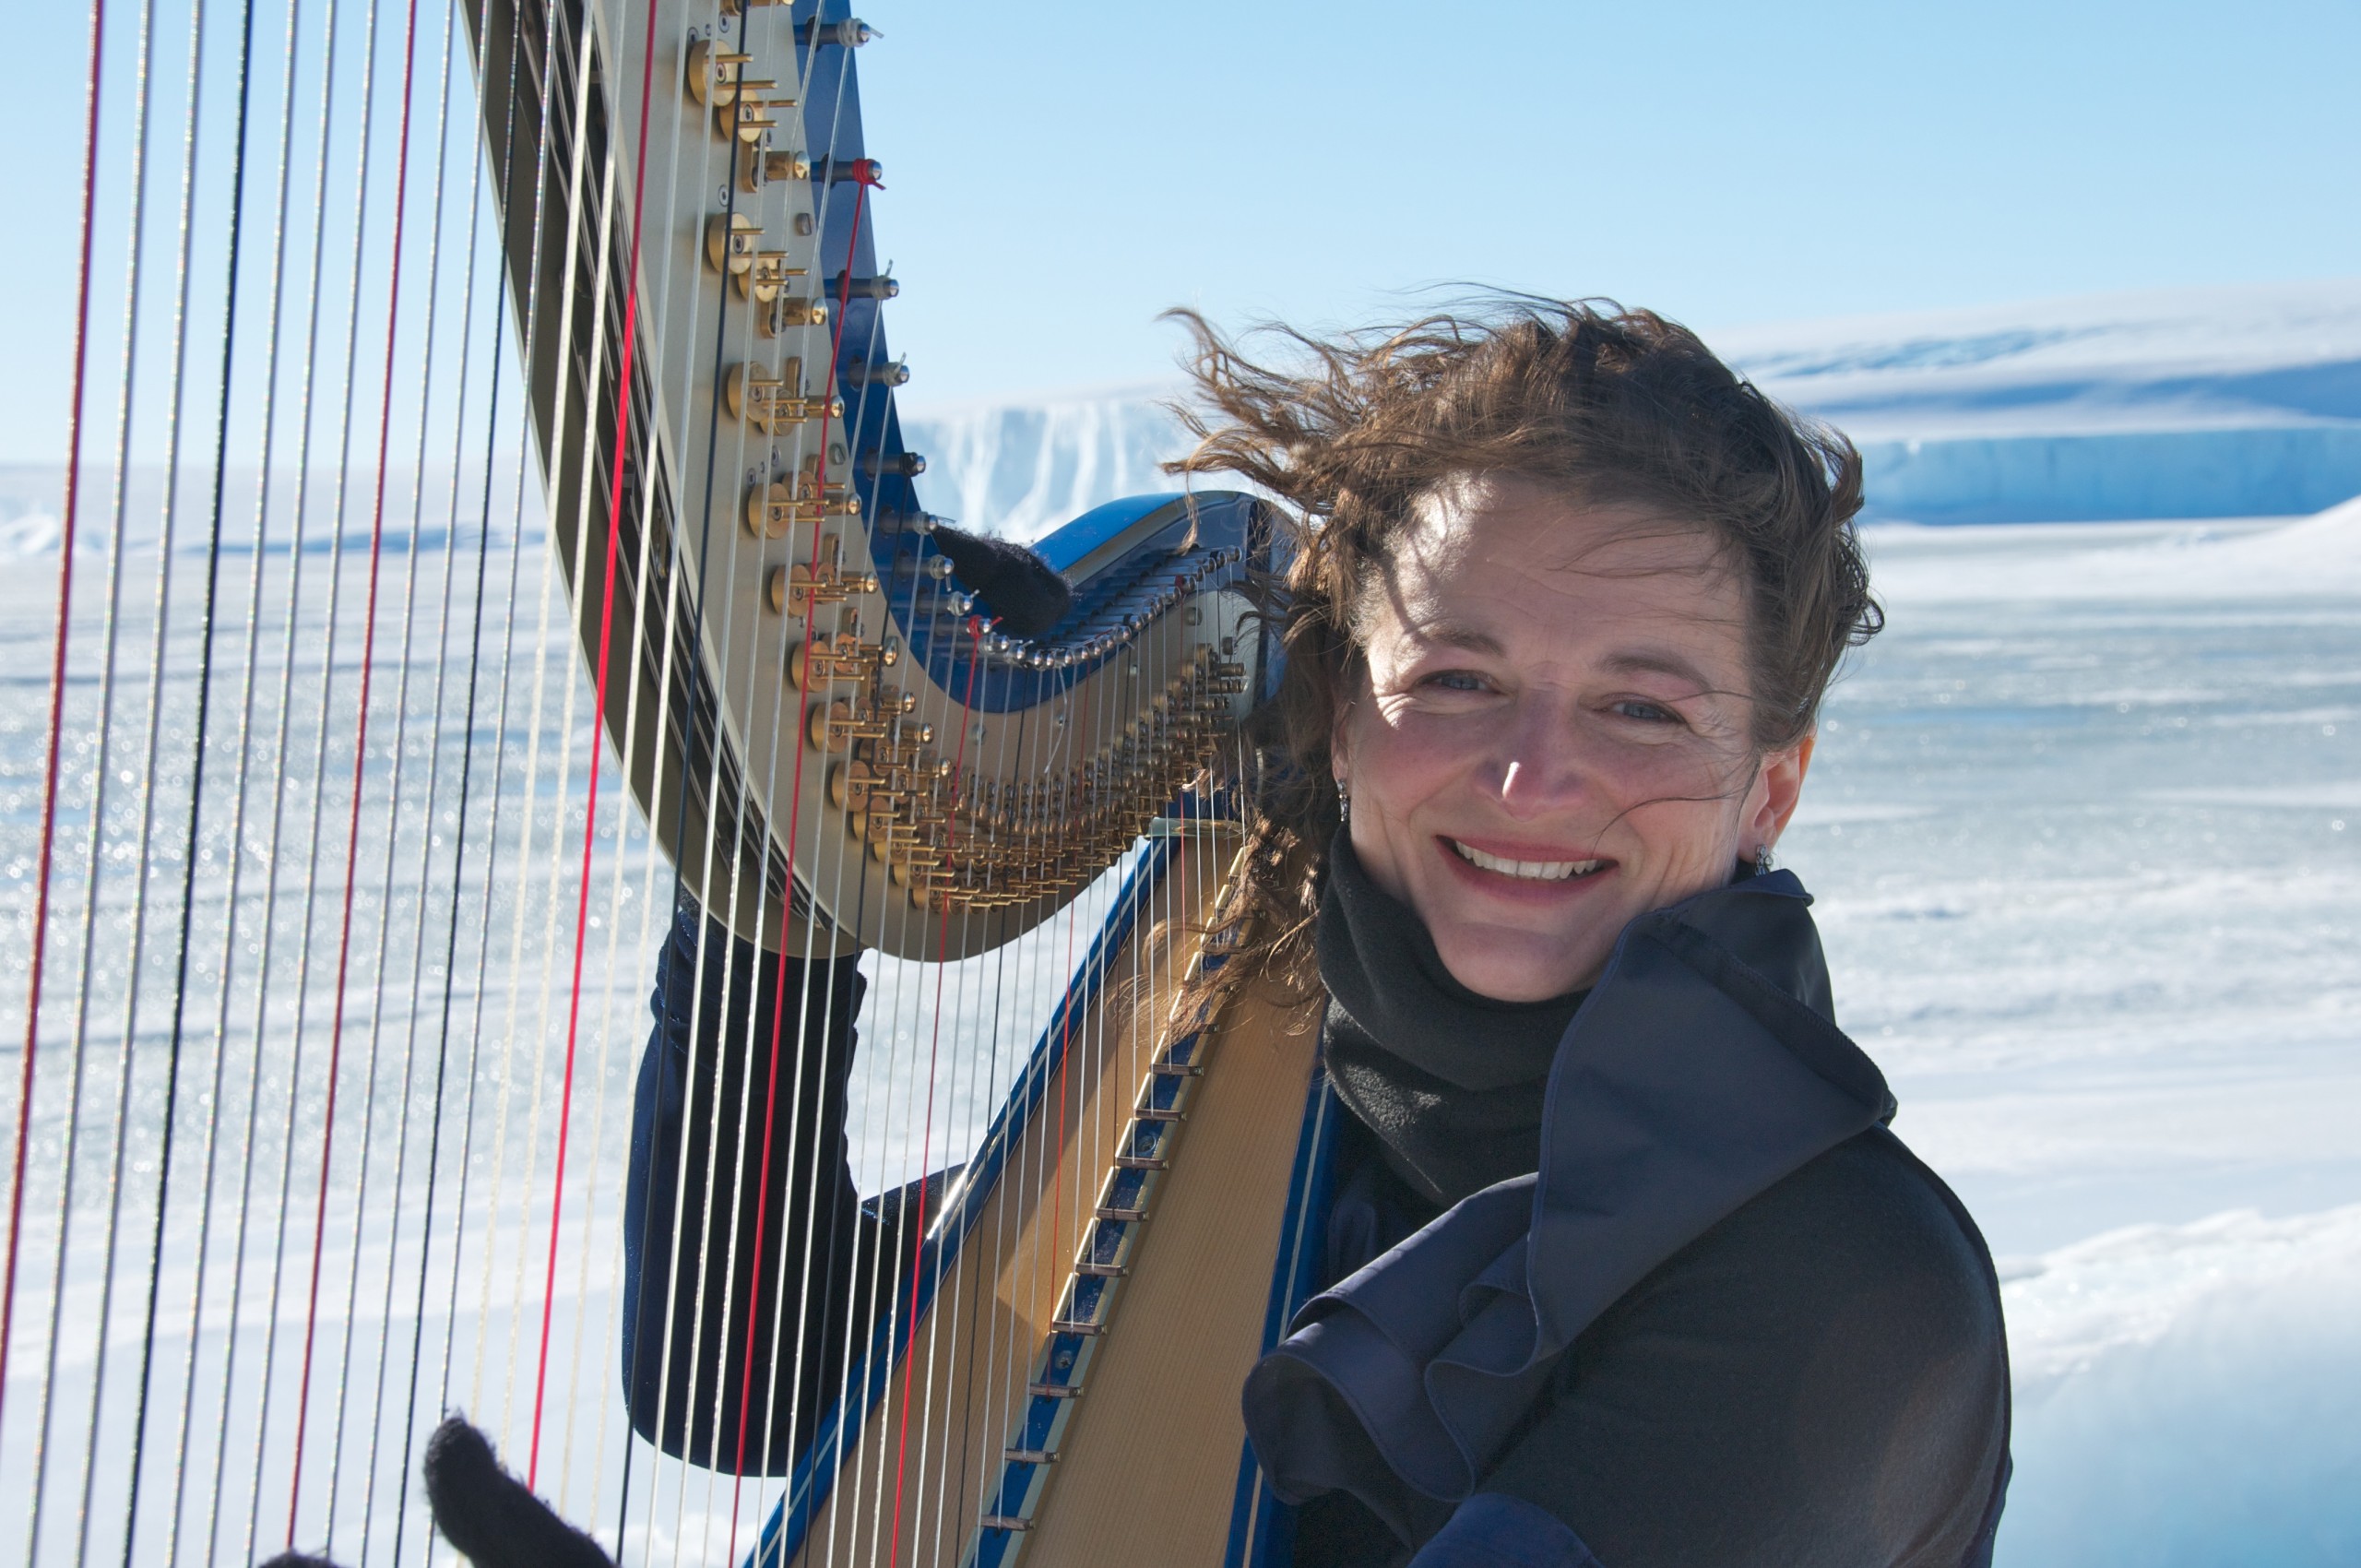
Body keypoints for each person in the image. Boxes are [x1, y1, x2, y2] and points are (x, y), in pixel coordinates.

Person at [612, 300, 2011, 1565]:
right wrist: (781, 862)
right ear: (1345, 714)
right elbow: (736, 1375)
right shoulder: (1280, 1080)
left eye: (1642, 707)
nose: (1530, 777)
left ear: (1770, 785)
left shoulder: (1848, 1289)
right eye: (1458, 678)